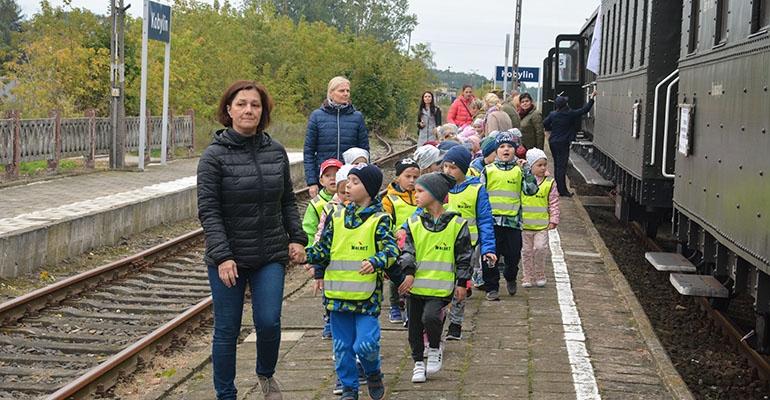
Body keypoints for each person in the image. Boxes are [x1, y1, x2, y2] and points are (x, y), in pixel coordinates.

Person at [197, 80, 307, 400]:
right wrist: (222, 255)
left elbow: (287, 200)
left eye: (255, 105)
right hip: (228, 257)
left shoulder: (276, 152)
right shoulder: (213, 157)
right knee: (227, 329)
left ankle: (266, 375)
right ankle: (225, 394)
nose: (249, 110)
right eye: (241, 104)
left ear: (263, 111)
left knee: (269, 322)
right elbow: (209, 211)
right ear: (228, 110)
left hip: (269, 253)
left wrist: (297, 238)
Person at [306, 164, 404, 400]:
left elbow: (392, 251)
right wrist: (305, 256)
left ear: (369, 189)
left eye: (355, 182)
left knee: (366, 345)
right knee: (341, 347)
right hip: (336, 297)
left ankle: (372, 372)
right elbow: (323, 250)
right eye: (348, 181)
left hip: (366, 298)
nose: (348, 186)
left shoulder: (380, 219)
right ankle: (349, 387)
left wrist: (376, 261)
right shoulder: (335, 215)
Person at [396, 172, 472, 383]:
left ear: (436, 194)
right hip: (414, 287)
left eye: (420, 191)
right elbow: (408, 252)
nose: (416, 194)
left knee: (430, 318)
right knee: (413, 327)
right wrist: (408, 274)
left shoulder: (457, 224)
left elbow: (464, 257)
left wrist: (462, 283)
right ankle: (418, 363)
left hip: (440, 288)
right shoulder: (413, 223)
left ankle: (435, 347)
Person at [441, 146, 497, 340]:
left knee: (460, 283)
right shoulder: (439, 186)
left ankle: (455, 323)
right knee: (442, 283)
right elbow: (422, 209)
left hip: (467, 247)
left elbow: (485, 221)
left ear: (463, 169)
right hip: (441, 245)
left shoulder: (477, 189)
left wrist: (488, 249)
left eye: (453, 167)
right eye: (445, 166)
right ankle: (439, 317)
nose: (448, 171)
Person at [479, 130, 538, 300]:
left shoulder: (519, 170)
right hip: (491, 223)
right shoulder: (488, 170)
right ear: (496, 150)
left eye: (509, 146)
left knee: (513, 257)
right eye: (502, 146)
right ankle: (491, 287)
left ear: (515, 149)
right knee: (490, 256)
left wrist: (527, 171)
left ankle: (511, 276)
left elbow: (531, 190)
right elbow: (480, 195)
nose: (506, 149)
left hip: (513, 223)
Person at [304, 76, 369, 198]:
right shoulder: (317, 117)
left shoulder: (357, 117)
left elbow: (364, 151)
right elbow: (309, 151)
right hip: (326, 178)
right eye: (341, 91)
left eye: (348, 91)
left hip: (349, 179)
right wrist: (312, 182)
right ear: (331, 93)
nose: (346, 94)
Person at [382, 158, 421, 324]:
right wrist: (393, 234)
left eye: (415, 177)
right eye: (407, 176)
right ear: (398, 177)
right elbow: (384, 221)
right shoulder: (389, 199)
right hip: (397, 243)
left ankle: (410, 305)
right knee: (396, 273)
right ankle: (395, 304)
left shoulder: (421, 195)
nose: (412, 180)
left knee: (414, 272)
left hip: (417, 240)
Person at [543, 90, 597, 197]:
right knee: (561, 167)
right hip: (563, 143)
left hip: (553, 142)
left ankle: (558, 188)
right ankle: (562, 190)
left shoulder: (553, 114)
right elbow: (584, 110)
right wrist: (592, 98)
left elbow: (545, 123)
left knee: (557, 165)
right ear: (565, 104)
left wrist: (553, 128)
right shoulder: (569, 114)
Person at [520, 148, 560, 287]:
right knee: (526, 251)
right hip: (525, 225)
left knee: (540, 248)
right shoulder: (523, 181)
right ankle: (527, 276)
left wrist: (553, 219)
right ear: (530, 166)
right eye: (539, 165)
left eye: (544, 165)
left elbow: (553, 202)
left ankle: (540, 273)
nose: (543, 168)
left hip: (541, 225)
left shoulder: (549, 182)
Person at [303, 158, 343, 245]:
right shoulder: (315, 204)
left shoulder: (350, 200)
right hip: (321, 249)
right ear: (321, 181)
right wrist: (310, 249)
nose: (332, 178)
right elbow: (309, 230)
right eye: (327, 175)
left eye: (336, 174)